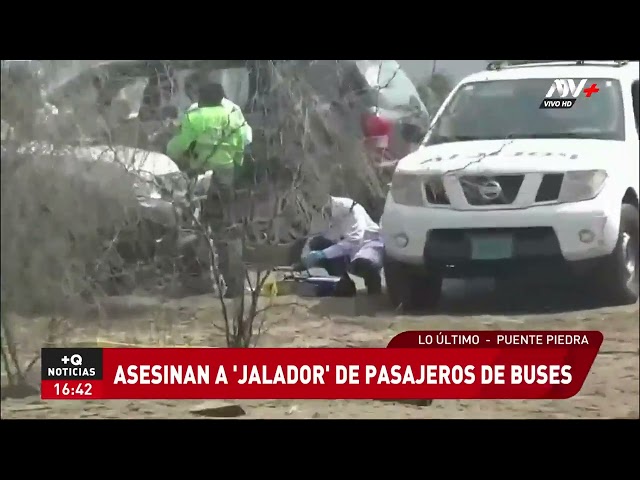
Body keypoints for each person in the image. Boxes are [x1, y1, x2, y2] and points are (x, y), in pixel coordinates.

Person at [165, 82, 247, 297]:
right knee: (227, 230)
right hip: (226, 176)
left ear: (201, 97)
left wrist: (169, 146)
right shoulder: (233, 114)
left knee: (194, 227)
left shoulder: (195, 116)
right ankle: (235, 283)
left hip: (202, 177)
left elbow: (178, 145)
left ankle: (197, 280)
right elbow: (246, 139)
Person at [299, 196, 384, 295]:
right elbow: (315, 237)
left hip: (368, 246)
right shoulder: (327, 216)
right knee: (320, 244)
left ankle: (374, 295)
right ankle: (342, 284)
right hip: (346, 251)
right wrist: (305, 257)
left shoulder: (352, 210)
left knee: (366, 263)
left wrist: (322, 254)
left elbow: (354, 240)